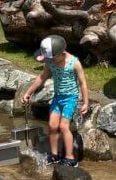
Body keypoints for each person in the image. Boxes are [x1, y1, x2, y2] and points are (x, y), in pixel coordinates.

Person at [21, 35, 89, 167]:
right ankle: (54, 155)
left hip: (70, 98)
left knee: (64, 126)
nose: (50, 60)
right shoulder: (50, 62)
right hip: (57, 97)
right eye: (48, 58)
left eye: (52, 57)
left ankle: (70, 157)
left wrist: (85, 102)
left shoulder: (74, 62)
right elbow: (42, 77)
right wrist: (28, 92)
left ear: (62, 52)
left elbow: (82, 83)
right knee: (52, 126)